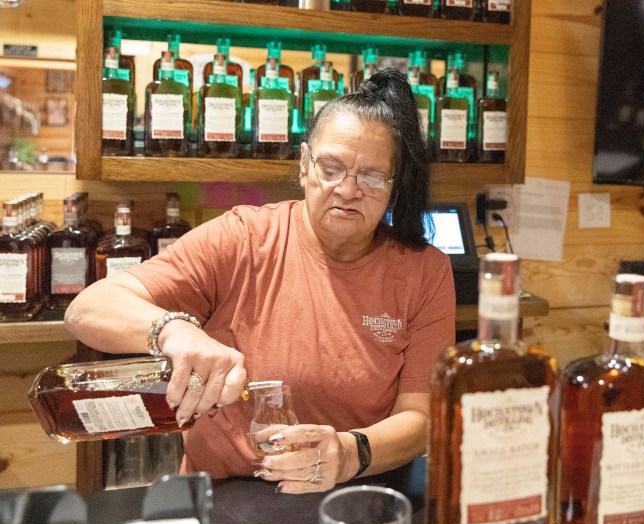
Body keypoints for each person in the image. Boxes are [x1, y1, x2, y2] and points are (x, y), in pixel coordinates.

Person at [64, 68, 456, 494]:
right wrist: (173, 332)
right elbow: (88, 309)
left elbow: (421, 419)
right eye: (331, 168)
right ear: (304, 165)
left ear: (394, 185)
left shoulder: (424, 271)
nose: (348, 189)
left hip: (359, 490)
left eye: (372, 176)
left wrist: (348, 452)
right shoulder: (244, 238)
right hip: (228, 489)